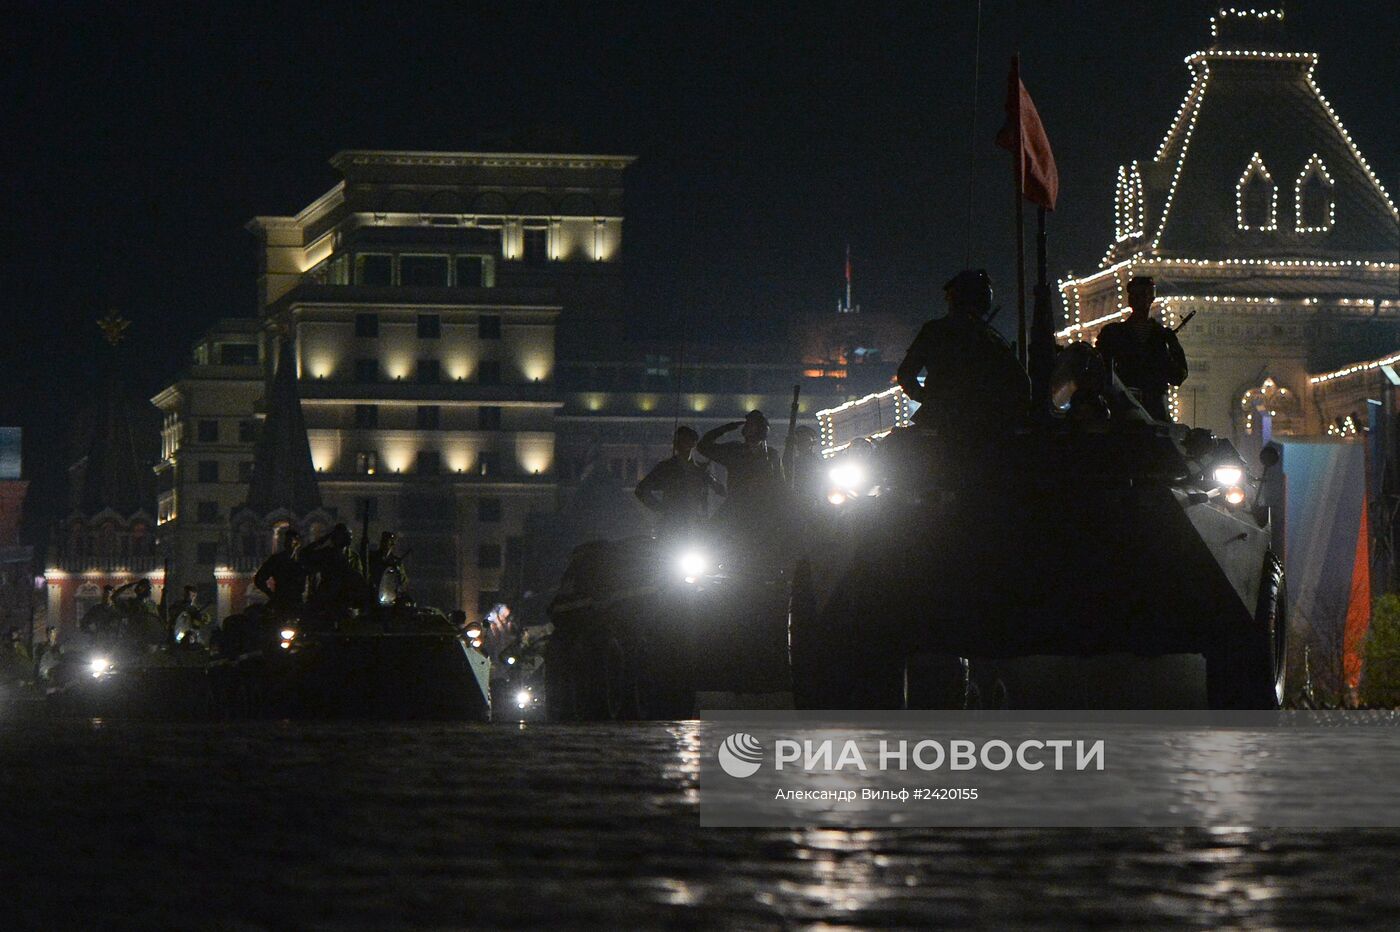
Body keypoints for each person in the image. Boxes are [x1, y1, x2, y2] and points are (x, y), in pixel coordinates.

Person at [897, 270, 1029, 437]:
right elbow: (1020, 382)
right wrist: (930, 399)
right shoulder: (988, 337)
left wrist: (928, 399)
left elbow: (905, 374)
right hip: (970, 424)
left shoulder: (939, 331)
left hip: (973, 423)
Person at [1094, 275, 1188, 422]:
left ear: (1151, 298)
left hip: (1154, 413)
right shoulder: (1112, 333)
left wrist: (1171, 346)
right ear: (1130, 299)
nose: (1141, 299)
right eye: (1137, 295)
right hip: (1124, 412)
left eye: (1145, 294)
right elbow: (1100, 370)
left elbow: (1178, 376)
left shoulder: (1161, 336)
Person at [634, 426, 726, 533]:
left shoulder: (700, 471)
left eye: (685, 441)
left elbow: (721, 491)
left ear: (693, 443)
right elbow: (641, 490)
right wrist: (661, 509)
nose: (681, 444)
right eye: (679, 441)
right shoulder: (665, 467)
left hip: (697, 526)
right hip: (673, 525)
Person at [697, 410, 785, 502]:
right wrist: (725, 428)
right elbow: (703, 447)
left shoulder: (771, 455)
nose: (747, 426)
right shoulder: (734, 450)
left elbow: (781, 485)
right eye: (748, 424)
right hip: (737, 505)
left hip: (762, 506)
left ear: (761, 429)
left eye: (752, 424)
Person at [253, 528, 309, 614]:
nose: (289, 543)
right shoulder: (276, 560)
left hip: (297, 601)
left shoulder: (302, 560)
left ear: (298, 543)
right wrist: (271, 594)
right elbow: (259, 579)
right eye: (287, 541)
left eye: (292, 540)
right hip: (281, 600)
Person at [113, 579, 165, 648]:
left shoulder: (151, 604)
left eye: (148, 587)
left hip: (150, 639)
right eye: (143, 587)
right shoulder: (131, 602)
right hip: (134, 638)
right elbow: (114, 597)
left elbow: (157, 619)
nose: (148, 590)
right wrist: (128, 585)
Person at [367, 531, 408, 606]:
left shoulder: (395, 561)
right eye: (384, 542)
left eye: (388, 542)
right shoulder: (372, 557)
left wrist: (398, 571)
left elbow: (403, 581)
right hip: (372, 595)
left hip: (389, 596)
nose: (385, 545)